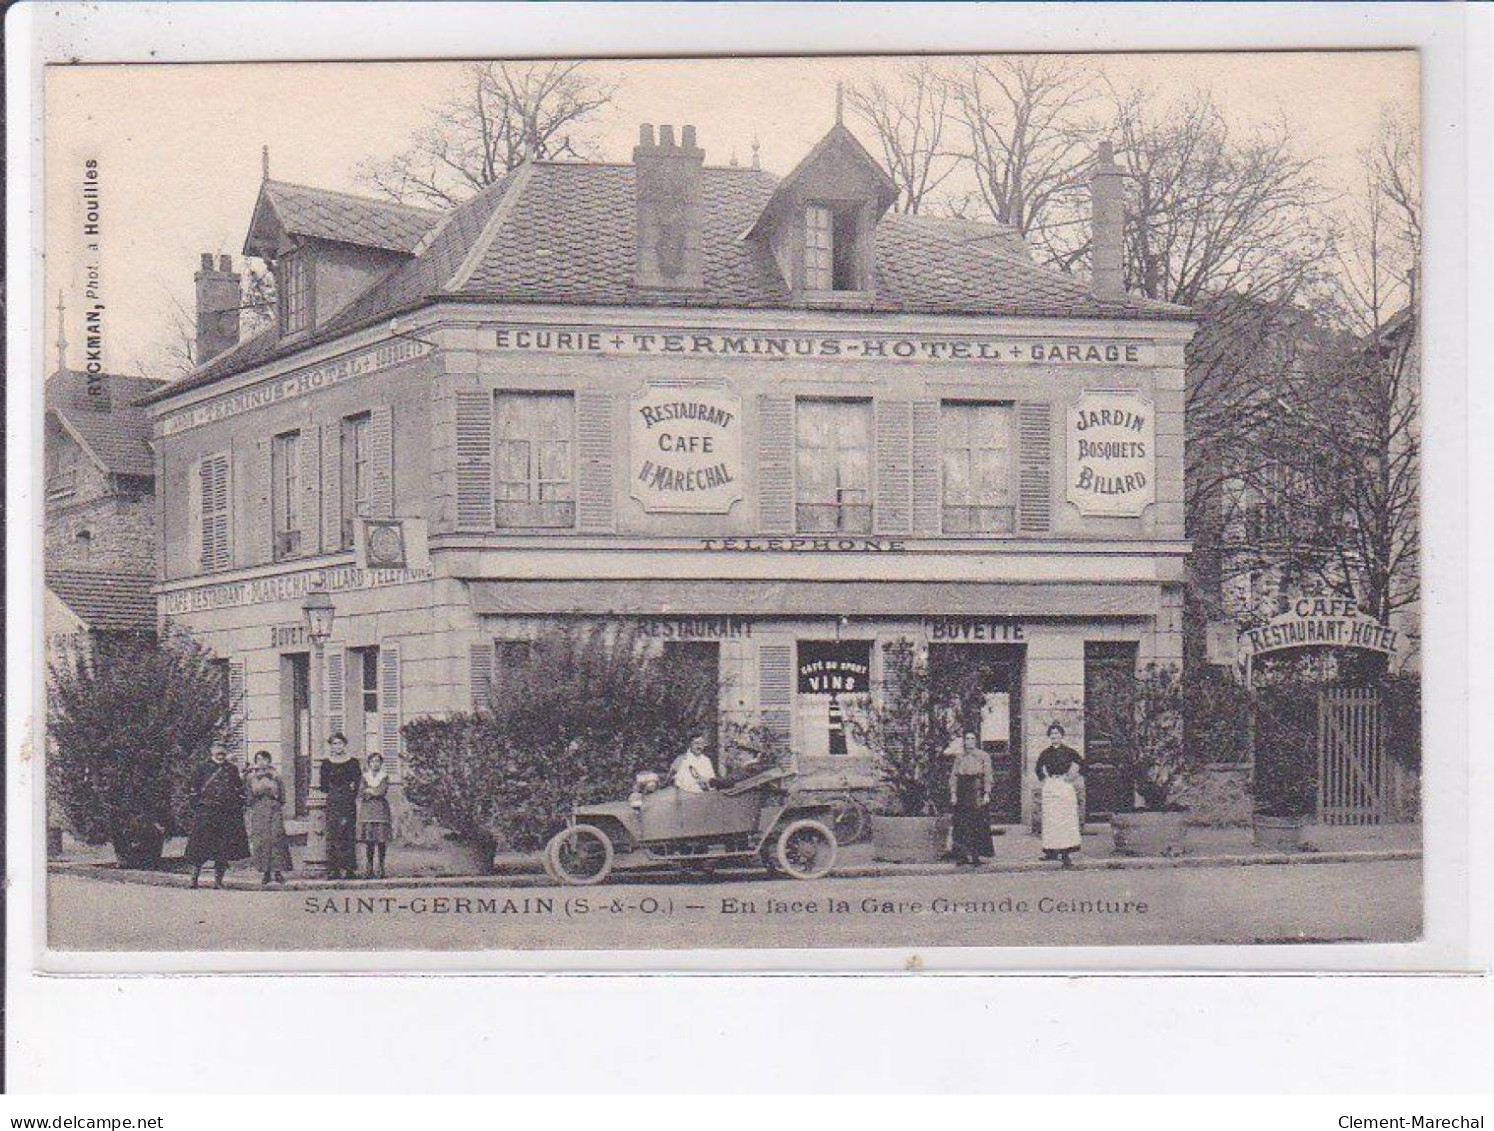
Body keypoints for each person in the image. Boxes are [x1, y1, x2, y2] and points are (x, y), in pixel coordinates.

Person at [185, 742, 250, 889]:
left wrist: (237, 806)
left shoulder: (231, 769)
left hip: (225, 814)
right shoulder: (202, 768)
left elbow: (239, 789)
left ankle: (218, 882)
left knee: (223, 849)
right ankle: (193, 880)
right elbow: (193, 789)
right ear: (211, 752)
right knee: (199, 848)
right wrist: (198, 807)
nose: (220, 755)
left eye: (222, 752)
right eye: (217, 752)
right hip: (206, 813)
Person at [1036, 722, 1083, 867]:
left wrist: (1071, 776)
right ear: (1049, 737)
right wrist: (1045, 779)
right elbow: (1038, 768)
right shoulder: (1045, 753)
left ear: (1062, 736)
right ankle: (1051, 851)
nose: (1054, 736)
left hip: (1064, 786)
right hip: (1051, 786)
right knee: (1051, 820)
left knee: (1065, 819)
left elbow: (1080, 763)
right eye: (1052, 734)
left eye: (1057, 734)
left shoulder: (1069, 752)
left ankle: (1066, 854)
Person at [245, 749, 292, 886]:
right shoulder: (251, 777)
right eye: (258, 759)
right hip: (259, 810)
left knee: (276, 839)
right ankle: (265, 872)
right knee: (262, 841)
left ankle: (278, 872)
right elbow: (248, 797)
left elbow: (282, 796)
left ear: (269, 761)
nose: (261, 762)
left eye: (264, 759)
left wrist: (275, 802)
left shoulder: (276, 776)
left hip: (274, 809)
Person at [320, 732, 362, 880]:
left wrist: (350, 794)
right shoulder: (326, 763)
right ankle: (334, 869)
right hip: (333, 801)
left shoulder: (353, 762)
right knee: (333, 835)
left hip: (348, 801)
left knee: (348, 834)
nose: (337, 746)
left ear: (345, 744)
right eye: (334, 744)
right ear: (330, 746)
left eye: (340, 743)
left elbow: (356, 783)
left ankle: (349, 869)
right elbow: (323, 786)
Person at [949, 732, 994, 866]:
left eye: (972, 739)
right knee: (961, 824)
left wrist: (986, 793)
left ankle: (976, 855)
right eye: (967, 739)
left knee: (976, 823)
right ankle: (962, 855)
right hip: (963, 790)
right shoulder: (959, 757)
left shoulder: (983, 756)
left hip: (976, 790)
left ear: (976, 741)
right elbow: (954, 776)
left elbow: (988, 775)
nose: (969, 741)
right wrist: (953, 793)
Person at [357, 752, 394, 878]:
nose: (375, 764)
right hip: (367, 811)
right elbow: (361, 791)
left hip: (381, 810)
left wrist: (371, 791)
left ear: (381, 763)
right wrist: (370, 791)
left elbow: (381, 792)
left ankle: (381, 867)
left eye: (377, 761)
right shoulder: (364, 776)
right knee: (369, 840)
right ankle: (369, 868)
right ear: (369, 763)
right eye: (372, 761)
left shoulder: (384, 776)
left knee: (381, 840)